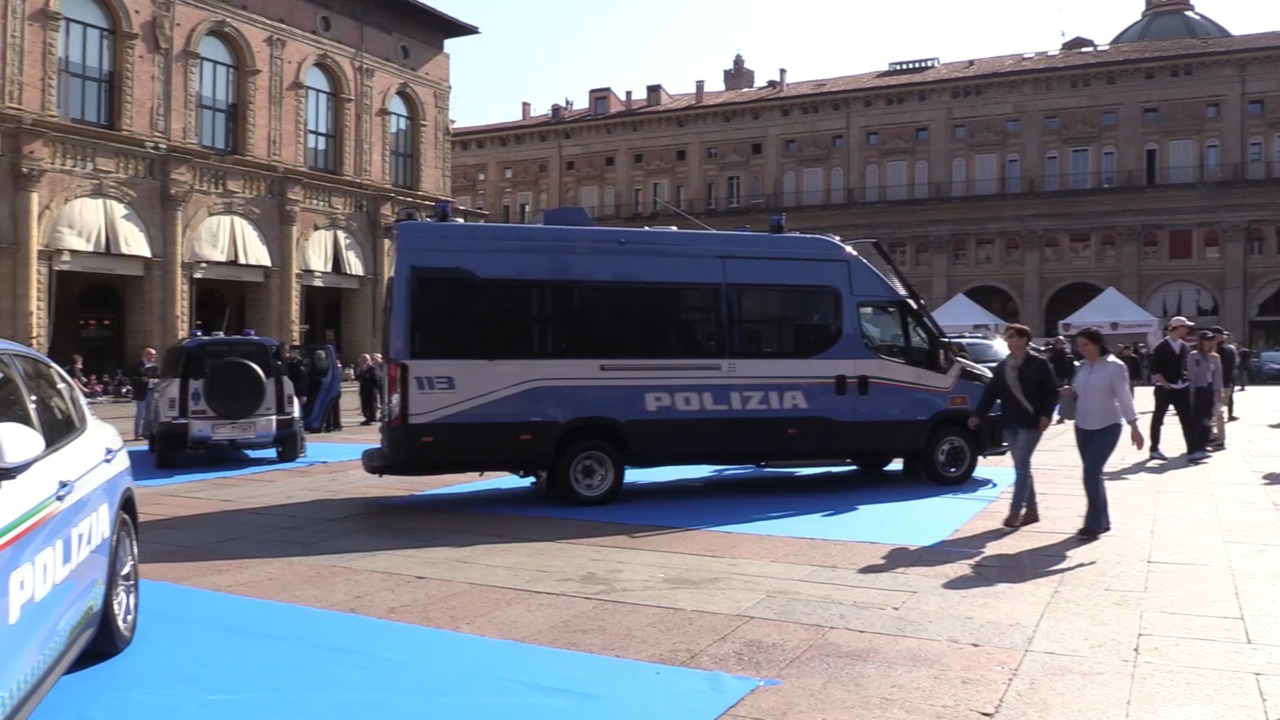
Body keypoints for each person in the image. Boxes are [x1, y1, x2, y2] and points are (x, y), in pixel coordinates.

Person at [968, 323, 1059, 529]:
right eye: (1007, 337)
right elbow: (991, 393)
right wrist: (978, 415)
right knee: (1022, 468)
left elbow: (1051, 392)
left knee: (1021, 467)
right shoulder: (1003, 367)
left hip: (1031, 422)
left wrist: (1045, 415)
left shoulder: (1038, 363)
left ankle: (1015, 512)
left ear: (1024, 339)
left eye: (1011, 337)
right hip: (1009, 422)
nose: (1008, 341)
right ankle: (1033, 510)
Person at [1061, 327, 1143, 540]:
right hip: (1083, 425)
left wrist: (1134, 426)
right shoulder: (1081, 368)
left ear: (1097, 343)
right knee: (1093, 473)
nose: (1082, 350)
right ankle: (1102, 520)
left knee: (1090, 471)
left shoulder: (1115, 367)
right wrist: (1071, 391)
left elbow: (1124, 397)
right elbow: (1081, 391)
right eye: (1079, 346)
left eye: (1086, 344)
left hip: (1108, 425)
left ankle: (1093, 523)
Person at [1148, 316, 1194, 461]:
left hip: (1181, 386)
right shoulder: (1161, 346)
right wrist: (1165, 384)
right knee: (1158, 418)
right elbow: (1154, 369)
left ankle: (1192, 448)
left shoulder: (1183, 346)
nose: (1187, 329)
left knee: (1187, 419)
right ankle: (1154, 449)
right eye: (1185, 327)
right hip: (1165, 388)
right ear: (1178, 327)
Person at [1186, 330, 1224, 462]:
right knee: (1197, 419)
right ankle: (1195, 447)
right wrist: (1190, 392)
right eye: (1207, 340)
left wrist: (1219, 392)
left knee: (1208, 419)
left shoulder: (1215, 357)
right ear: (1201, 341)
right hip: (1198, 389)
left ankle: (1203, 445)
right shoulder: (1194, 355)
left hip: (1210, 389)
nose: (1209, 342)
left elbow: (1218, 375)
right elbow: (1191, 374)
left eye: (1211, 340)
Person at [1209, 326, 1236, 448]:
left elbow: (1216, 369)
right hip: (1227, 384)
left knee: (1216, 413)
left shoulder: (1219, 350)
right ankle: (1215, 437)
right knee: (1217, 413)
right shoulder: (1231, 348)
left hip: (1219, 385)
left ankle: (1218, 439)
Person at [128, 347, 158, 440]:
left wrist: (157, 379)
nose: (154, 356)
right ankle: (137, 434)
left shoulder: (153, 365)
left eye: (154, 355)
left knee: (149, 413)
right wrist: (141, 379)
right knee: (141, 413)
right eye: (152, 354)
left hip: (151, 390)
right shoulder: (137, 365)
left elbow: (157, 375)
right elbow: (131, 378)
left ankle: (146, 432)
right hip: (141, 392)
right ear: (145, 354)